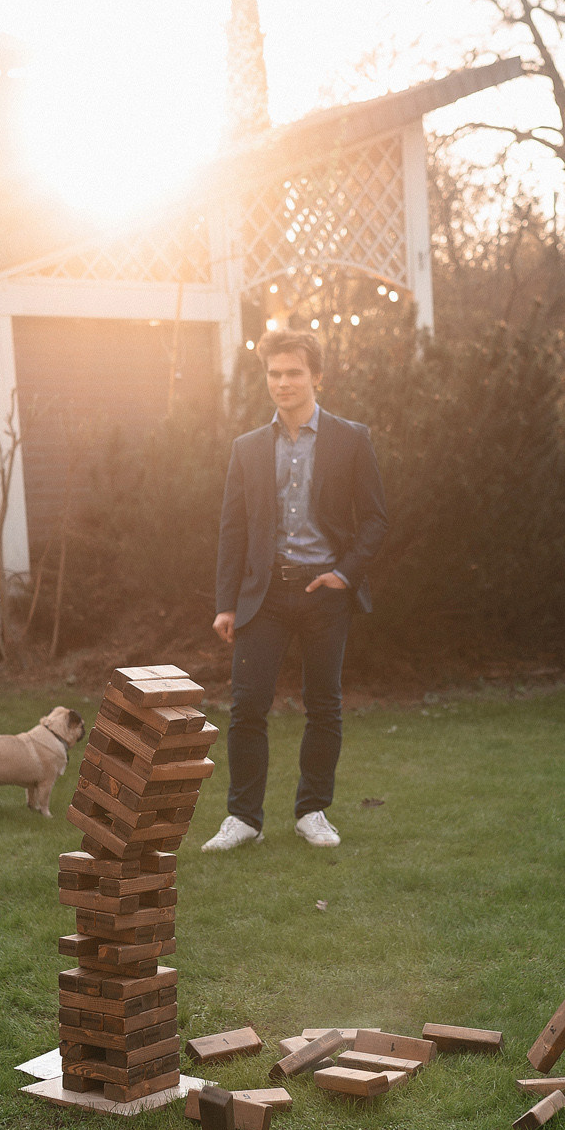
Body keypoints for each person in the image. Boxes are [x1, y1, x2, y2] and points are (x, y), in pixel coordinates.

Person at [204, 329, 387, 853]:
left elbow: (375, 519)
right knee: (247, 708)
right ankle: (244, 819)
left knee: (323, 706)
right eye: (275, 374)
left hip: (325, 595)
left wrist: (345, 574)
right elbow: (232, 530)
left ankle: (313, 811)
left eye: (294, 373)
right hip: (264, 598)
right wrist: (225, 603)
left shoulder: (351, 438)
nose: (283, 383)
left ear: (317, 377)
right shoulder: (247, 448)